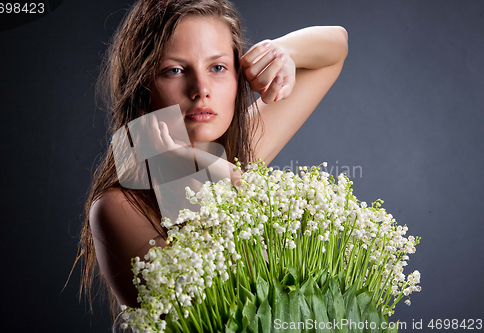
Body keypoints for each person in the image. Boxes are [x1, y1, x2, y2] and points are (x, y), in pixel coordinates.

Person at [74, 0, 348, 328]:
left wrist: (275, 54)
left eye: (218, 68)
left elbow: (337, 46)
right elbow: (212, 316)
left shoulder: (237, 155)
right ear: (142, 84)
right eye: (175, 70)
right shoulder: (117, 207)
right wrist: (209, 172)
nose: (201, 90)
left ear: (237, 80)